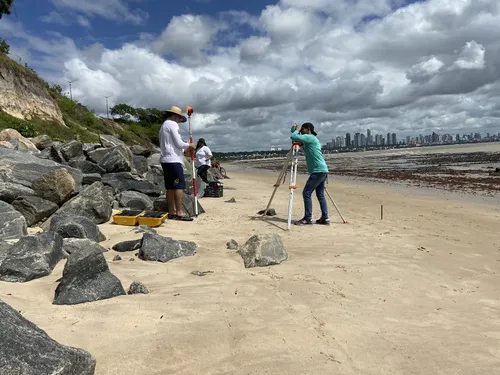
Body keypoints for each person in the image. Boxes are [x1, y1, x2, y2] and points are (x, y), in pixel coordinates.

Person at [159, 105, 195, 221]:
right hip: (174, 161)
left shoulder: (163, 126)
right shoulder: (172, 124)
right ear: (175, 116)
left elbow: (172, 145)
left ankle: (171, 211)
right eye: (179, 118)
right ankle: (179, 212)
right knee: (179, 185)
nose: (180, 121)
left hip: (166, 160)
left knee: (170, 187)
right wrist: (189, 145)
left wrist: (185, 149)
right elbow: (179, 143)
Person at [290, 122, 330, 225]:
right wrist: (295, 129)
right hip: (322, 170)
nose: (301, 132)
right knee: (320, 194)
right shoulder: (309, 141)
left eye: (303, 129)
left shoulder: (310, 137)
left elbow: (293, 136)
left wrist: (297, 130)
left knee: (306, 193)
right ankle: (325, 218)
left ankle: (308, 218)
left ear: (308, 129)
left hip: (318, 171)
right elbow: (295, 138)